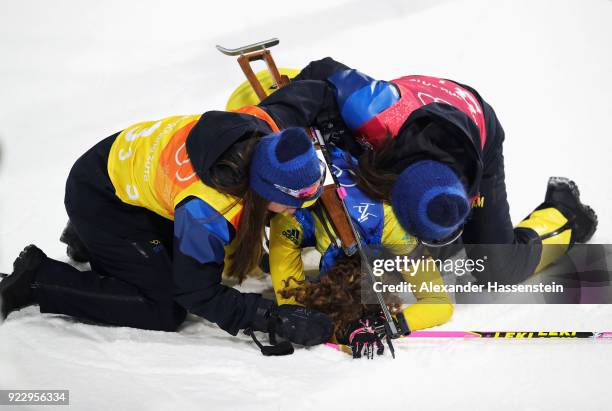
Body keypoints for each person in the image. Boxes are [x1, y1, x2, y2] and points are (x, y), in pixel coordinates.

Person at [209, 57, 599, 284]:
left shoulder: (462, 187)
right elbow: (322, 70)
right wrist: (272, 129)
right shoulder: (373, 112)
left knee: (498, 266)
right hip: (410, 107)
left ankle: (566, 214)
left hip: (479, 127)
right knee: (290, 175)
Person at [0, 111, 334, 351]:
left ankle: (90, 242)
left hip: (120, 168)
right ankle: (36, 279)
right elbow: (196, 292)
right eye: (292, 203)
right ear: (262, 189)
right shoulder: (210, 208)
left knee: (180, 262)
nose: (296, 211)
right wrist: (269, 317)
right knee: (163, 306)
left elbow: (302, 98)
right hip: (99, 197)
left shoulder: (261, 134)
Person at [269, 146, 453, 358]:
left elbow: (292, 315)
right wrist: (385, 325)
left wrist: (374, 325)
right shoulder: (287, 220)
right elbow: (440, 303)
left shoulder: (391, 223)